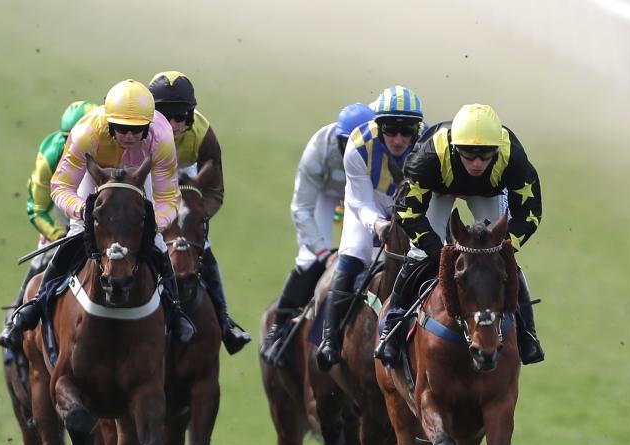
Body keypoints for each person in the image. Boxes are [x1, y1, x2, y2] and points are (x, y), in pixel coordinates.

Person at [0, 79, 194, 349]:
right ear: (109, 124)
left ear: (149, 126)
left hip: (137, 178)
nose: (129, 136)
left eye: (137, 130)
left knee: (157, 242)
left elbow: (169, 197)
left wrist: (152, 224)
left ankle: (175, 311)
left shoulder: (161, 138)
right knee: (76, 234)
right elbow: (61, 186)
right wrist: (82, 211)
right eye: (122, 128)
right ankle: (36, 304)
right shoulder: (86, 133)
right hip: (95, 174)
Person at [373, 103, 544, 366]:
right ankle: (392, 328)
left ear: (497, 150)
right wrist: (436, 250)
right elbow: (407, 211)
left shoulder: (513, 155)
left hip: (487, 192)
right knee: (419, 255)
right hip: (437, 189)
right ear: (454, 148)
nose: (477, 163)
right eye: (469, 154)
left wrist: (503, 247)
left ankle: (527, 333)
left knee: (503, 260)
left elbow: (529, 214)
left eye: (485, 156)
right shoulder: (429, 156)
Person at [258, 101, 376, 366]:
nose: (353, 149)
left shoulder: (382, 148)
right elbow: (301, 209)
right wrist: (323, 253)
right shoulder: (319, 149)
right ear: (337, 139)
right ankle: (278, 326)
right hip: (328, 193)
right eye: (346, 143)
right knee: (310, 257)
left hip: (363, 197)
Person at [316, 86, 425, 370]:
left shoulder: (428, 145)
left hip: (411, 204)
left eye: (406, 131)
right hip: (369, 202)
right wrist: (377, 223)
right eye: (391, 130)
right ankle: (329, 339)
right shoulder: (358, 145)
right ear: (378, 126)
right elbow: (359, 200)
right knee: (355, 252)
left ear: (416, 129)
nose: (398, 139)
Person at [147, 70, 250, 354]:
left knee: (203, 247)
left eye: (181, 117)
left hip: (185, 176)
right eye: (166, 116)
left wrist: (196, 220)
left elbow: (215, 188)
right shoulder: (140, 131)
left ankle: (224, 323)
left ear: (190, 115)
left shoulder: (203, 134)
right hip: (147, 174)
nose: (174, 125)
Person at [10, 99, 98, 311]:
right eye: (70, 140)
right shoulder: (50, 156)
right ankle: (17, 315)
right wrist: (58, 234)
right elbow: (37, 209)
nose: (75, 148)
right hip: (65, 217)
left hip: (106, 218)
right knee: (43, 258)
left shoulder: (114, 147)